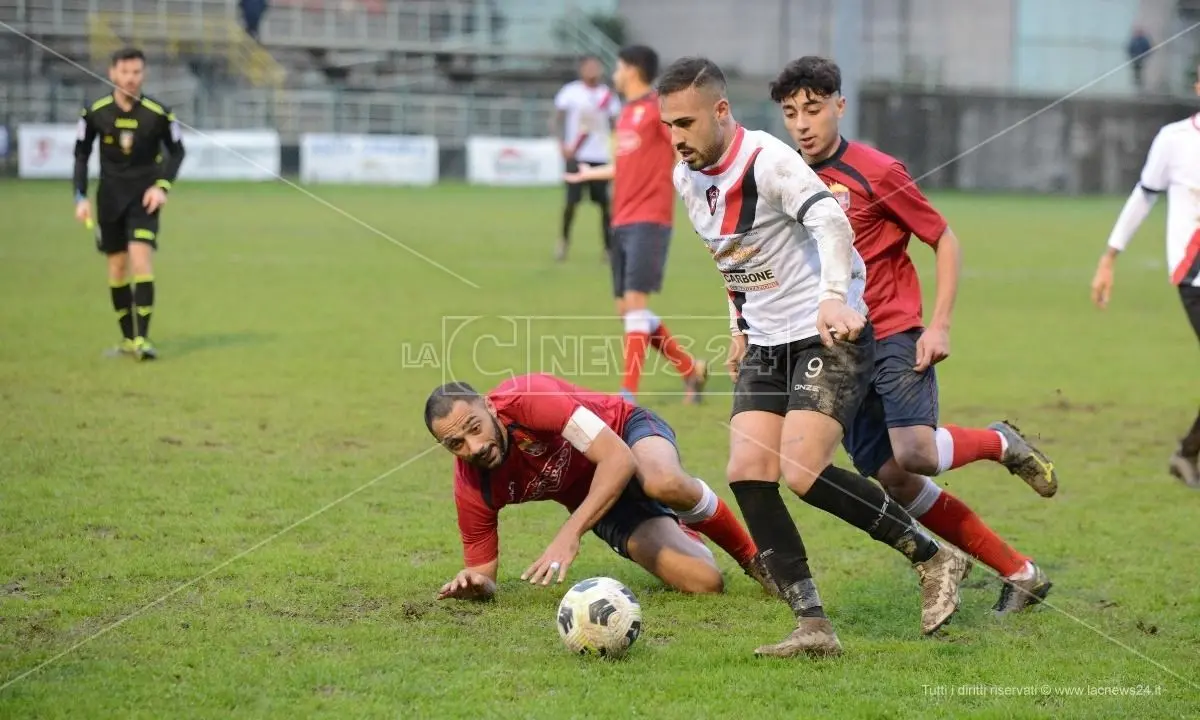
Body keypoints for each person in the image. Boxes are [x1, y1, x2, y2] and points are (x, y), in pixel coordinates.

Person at [656, 56, 971, 658]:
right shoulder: (686, 176)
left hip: (830, 333)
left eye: (687, 123)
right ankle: (813, 626)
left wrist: (832, 301)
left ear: (721, 112)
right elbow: (731, 254)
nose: (677, 138)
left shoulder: (769, 160)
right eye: (669, 125)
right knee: (748, 472)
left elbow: (832, 222)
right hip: (767, 340)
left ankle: (934, 557)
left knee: (800, 473)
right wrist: (738, 325)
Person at [769, 56, 1056, 615]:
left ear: (839, 106)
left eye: (813, 109)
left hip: (894, 331)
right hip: (834, 349)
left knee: (916, 452)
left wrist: (940, 324)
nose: (802, 123)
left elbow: (942, 237)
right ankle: (1022, 573)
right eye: (790, 113)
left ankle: (998, 441)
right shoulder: (784, 178)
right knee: (895, 481)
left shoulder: (877, 172)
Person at [427, 374, 775, 602]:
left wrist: (570, 532)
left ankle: (758, 560)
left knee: (662, 482)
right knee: (705, 583)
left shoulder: (528, 398)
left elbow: (618, 459)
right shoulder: (473, 486)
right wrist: (473, 586)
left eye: (475, 428)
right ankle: (683, 529)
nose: (473, 447)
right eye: (455, 443)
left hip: (626, 433)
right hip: (601, 500)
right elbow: (483, 575)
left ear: (489, 406)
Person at [564, 45, 707, 405]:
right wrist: (589, 173)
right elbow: (623, 163)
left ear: (632, 69)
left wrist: (692, 192)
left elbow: (681, 153)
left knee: (636, 304)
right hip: (622, 218)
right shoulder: (625, 112)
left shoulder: (660, 108)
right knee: (628, 311)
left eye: (618, 66)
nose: (614, 73)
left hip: (650, 218)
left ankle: (627, 394)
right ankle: (691, 370)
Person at [1092, 67, 1200, 487]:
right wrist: (1109, 258)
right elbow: (1144, 195)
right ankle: (1187, 453)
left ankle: (1187, 453)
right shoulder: (1174, 140)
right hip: (1194, 274)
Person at [75, 47, 185, 361]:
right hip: (109, 199)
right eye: (125, 72)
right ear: (112, 73)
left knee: (140, 260)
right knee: (117, 267)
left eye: (136, 72)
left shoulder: (158, 112)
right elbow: (81, 155)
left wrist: (162, 186)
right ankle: (127, 339)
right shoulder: (95, 111)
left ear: (143, 74)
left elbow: (177, 152)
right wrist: (80, 197)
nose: (131, 79)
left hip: (144, 200)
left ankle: (142, 340)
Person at [551, 56, 621, 263]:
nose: (592, 70)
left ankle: (608, 249)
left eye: (596, 67)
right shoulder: (570, 92)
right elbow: (556, 119)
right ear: (581, 70)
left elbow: (616, 124)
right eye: (588, 67)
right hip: (577, 154)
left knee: (604, 205)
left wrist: (617, 148)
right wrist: (561, 143)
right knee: (571, 202)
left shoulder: (607, 95)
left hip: (600, 156)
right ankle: (563, 242)